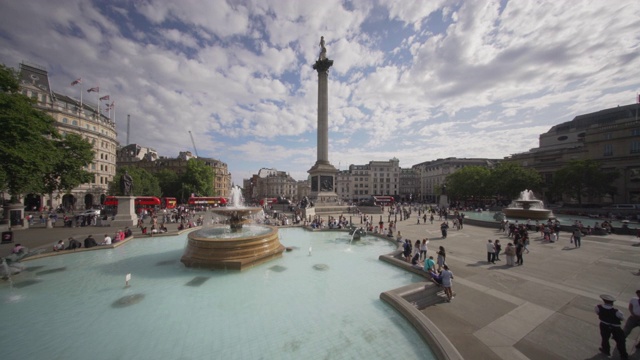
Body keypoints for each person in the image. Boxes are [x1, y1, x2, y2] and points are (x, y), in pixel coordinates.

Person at [595, 294, 629, 359]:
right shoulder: (617, 311)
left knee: (605, 338)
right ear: (612, 302)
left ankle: (606, 350)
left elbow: (597, 313)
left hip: (604, 325)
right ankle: (623, 355)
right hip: (615, 327)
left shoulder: (598, 307)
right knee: (620, 341)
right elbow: (622, 318)